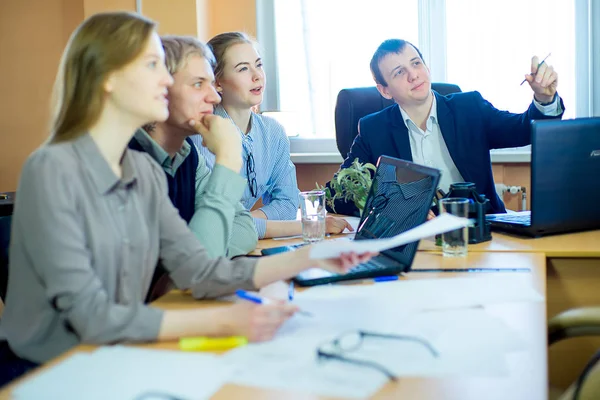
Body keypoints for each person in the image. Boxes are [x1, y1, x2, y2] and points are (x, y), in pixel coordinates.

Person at [0, 12, 374, 385]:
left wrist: (311, 256)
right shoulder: (51, 167)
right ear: (108, 79)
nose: (165, 79)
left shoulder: (140, 170)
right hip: (49, 370)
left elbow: (198, 269)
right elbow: (92, 317)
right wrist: (225, 320)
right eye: (152, 65)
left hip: (118, 354)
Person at [329, 39, 564, 216]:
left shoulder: (469, 107)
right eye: (399, 72)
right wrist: (399, 211)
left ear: (426, 67)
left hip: (480, 230)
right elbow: (339, 195)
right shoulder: (373, 129)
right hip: (417, 242)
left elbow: (523, 129)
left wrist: (544, 100)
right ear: (385, 90)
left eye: (416, 63)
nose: (413, 75)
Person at [191, 32, 353, 238]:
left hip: (242, 244)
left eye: (258, 65)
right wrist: (312, 226)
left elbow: (287, 203)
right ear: (217, 82)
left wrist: (244, 224)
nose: (257, 75)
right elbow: (213, 224)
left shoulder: (273, 132)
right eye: (242, 68)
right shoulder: (199, 136)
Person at [128, 35, 257, 259]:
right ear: (160, 91)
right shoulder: (127, 162)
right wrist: (227, 159)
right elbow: (197, 264)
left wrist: (206, 254)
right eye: (198, 84)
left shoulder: (188, 155)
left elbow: (246, 227)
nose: (215, 97)